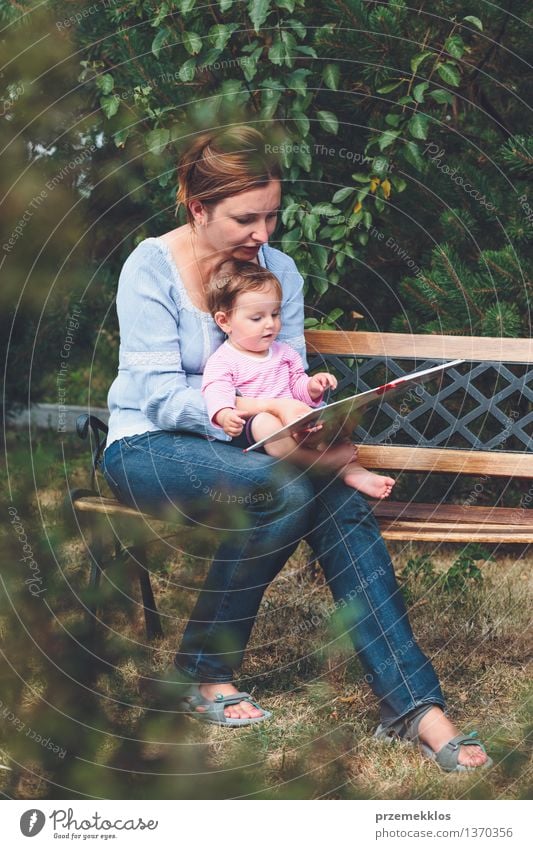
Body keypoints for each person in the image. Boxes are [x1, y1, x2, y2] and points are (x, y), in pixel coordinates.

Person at [101, 125, 491, 770]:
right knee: (280, 488)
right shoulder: (151, 266)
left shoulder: (278, 271)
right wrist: (249, 420)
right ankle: (205, 669)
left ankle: (417, 709)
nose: (264, 234)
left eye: (273, 215)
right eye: (245, 219)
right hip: (149, 446)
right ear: (198, 209)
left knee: (339, 502)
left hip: (259, 448)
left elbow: (287, 374)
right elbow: (159, 396)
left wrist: (309, 418)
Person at [202, 259, 395, 499]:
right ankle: (317, 463)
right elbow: (215, 391)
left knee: (323, 421)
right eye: (256, 318)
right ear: (225, 321)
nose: (270, 324)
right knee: (266, 423)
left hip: (296, 427)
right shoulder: (224, 359)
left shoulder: (284, 353)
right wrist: (224, 414)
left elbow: (296, 386)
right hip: (257, 437)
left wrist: (313, 387)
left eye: (274, 314)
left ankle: (353, 472)